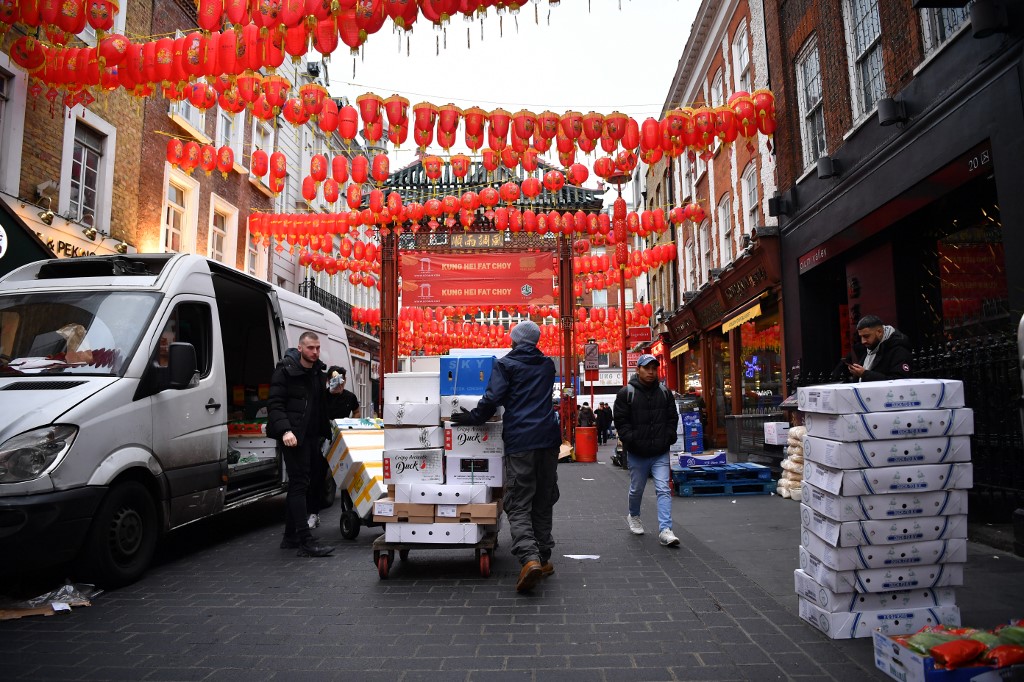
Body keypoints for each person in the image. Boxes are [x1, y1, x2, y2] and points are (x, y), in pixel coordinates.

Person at [450, 320, 562, 593]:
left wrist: (472, 417)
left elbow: (492, 399)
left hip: (521, 440)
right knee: (543, 498)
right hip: (548, 440)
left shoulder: (506, 365)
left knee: (519, 501)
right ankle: (543, 557)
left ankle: (529, 558)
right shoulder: (547, 365)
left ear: (515, 339)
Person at [267, 332, 341, 557]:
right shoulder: (285, 370)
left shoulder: (318, 372)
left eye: (317, 348)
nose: (315, 352)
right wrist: (285, 430)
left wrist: (332, 394)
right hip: (293, 436)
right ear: (300, 348)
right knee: (300, 484)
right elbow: (275, 404)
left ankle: (290, 537)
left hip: (311, 437)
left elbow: (318, 405)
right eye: (310, 348)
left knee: (301, 484)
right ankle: (305, 541)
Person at [613, 354, 681, 547]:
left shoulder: (664, 392)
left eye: (654, 368)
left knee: (663, 488)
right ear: (638, 370)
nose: (651, 372)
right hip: (637, 452)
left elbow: (672, 417)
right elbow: (620, 421)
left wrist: (669, 437)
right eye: (646, 368)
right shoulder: (626, 393)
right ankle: (634, 515)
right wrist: (631, 440)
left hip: (660, 450)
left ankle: (665, 530)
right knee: (637, 489)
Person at [304, 366, 361, 530]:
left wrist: (351, 424)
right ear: (329, 380)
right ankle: (313, 514)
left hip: (342, 442)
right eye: (336, 381)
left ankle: (348, 512)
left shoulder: (350, 397)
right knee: (317, 477)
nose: (339, 384)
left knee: (347, 476)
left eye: (342, 381)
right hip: (323, 442)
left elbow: (357, 411)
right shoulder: (321, 396)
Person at [832, 315, 913, 383]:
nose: (863, 341)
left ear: (879, 332)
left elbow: (900, 382)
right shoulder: (870, 347)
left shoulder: (899, 349)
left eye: (866, 336)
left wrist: (864, 374)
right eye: (861, 337)